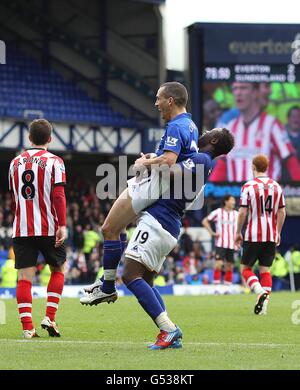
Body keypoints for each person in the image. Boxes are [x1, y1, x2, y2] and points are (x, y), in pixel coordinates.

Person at [80, 128, 234, 350]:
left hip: (158, 222)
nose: (205, 131)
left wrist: (146, 164)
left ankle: (169, 330)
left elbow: (171, 172)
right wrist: (155, 159)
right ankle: (171, 332)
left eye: (210, 131)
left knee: (131, 276)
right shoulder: (203, 162)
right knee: (148, 282)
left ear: (214, 139)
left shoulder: (201, 158)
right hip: (168, 225)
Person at [82, 82, 199, 300]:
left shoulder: (176, 126)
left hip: (150, 185)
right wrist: (151, 159)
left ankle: (107, 286)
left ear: (170, 100)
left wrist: (143, 164)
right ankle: (107, 283)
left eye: (158, 98)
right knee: (118, 228)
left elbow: (169, 160)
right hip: (160, 188)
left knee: (108, 228)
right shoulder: (191, 126)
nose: (156, 103)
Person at [8, 119, 67, 339]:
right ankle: (50, 317)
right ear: (50, 139)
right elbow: (58, 195)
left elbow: (14, 198)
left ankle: (27, 328)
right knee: (58, 269)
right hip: (49, 226)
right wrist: (62, 224)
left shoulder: (14, 163)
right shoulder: (55, 161)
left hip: (22, 227)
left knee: (24, 277)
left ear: (29, 138)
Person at [210, 82, 300, 182]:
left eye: (243, 88)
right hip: (238, 196)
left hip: (266, 195)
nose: (238, 93)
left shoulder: (272, 124)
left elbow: (291, 162)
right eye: (235, 89)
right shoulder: (230, 128)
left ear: (255, 93)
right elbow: (222, 166)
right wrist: (209, 193)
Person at [235, 154, 286, 315]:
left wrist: (238, 232)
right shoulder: (277, 186)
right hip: (270, 234)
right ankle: (263, 307)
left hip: (253, 234)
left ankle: (258, 291)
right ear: (267, 167)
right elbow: (282, 212)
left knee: (245, 268)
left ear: (253, 167)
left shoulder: (248, 186)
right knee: (265, 271)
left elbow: (243, 212)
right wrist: (277, 232)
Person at [202, 194, 238, 285]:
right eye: (232, 200)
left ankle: (227, 287)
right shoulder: (218, 212)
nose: (234, 202)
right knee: (218, 264)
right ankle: (216, 287)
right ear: (226, 201)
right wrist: (212, 233)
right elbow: (205, 221)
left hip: (232, 244)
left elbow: (240, 227)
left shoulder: (236, 214)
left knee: (229, 266)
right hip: (220, 243)